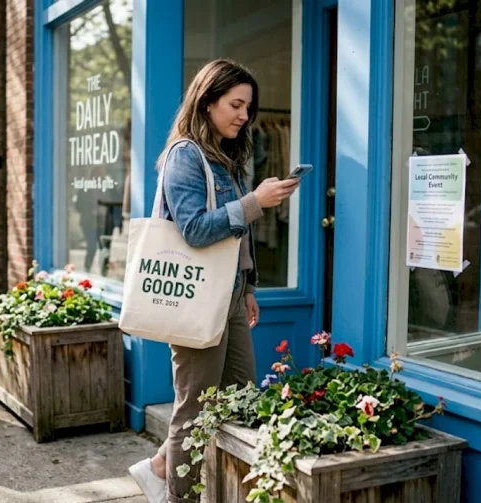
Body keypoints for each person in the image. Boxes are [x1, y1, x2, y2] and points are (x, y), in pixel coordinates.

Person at [127, 60, 299, 503]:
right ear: (207, 102)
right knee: (196, 405)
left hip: (231, 294)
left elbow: (236, 238)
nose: (244, 115)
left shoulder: (226, 157)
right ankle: (178, 493)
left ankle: (163, 468)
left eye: (248, 107)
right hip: (197, 296)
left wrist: (250, 286)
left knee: (239, 397)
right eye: (235, 105)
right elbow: (194, 230)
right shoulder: (186, 155)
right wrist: (255, 201)